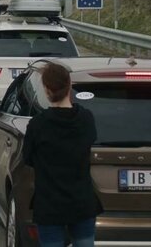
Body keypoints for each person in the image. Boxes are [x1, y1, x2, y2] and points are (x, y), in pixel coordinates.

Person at [22, 63, 103, 247]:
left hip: (49, 205)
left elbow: (28, 158)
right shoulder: (86, 119)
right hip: (82, 202)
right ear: (70, 85)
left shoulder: (38, 124)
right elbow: (89, 142)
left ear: (47, 90)